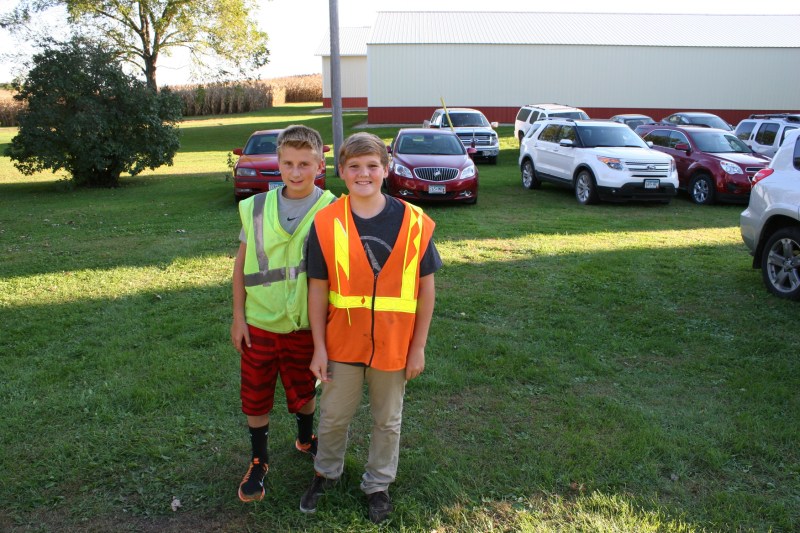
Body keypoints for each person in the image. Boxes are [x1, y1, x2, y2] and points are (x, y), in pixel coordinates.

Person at [298, 132, 442, 524]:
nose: (364, 174)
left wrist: (419, 347)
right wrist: (318, 348)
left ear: (386, 169)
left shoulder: (415, 222)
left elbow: (426, 290)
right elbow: (317, 290)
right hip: (341, 343)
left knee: (387, 419)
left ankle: (378, 484)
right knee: (333, 416)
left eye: (372, 166)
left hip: (395, 345)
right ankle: (325, 473)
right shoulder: (326, 223)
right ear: (341, 171)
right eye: (355, 167)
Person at [231, 124, 336, 503]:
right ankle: (259, 459)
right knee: (256, 395)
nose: (295, 172)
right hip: (259, 323)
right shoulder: (257, 207)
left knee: (304, 389)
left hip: (306, 327)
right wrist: (238, 317)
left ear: (319, 164)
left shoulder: (333, 209)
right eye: (288, 163)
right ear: (278, 162)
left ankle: (305, 437)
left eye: (304, 164)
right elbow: (241, 266)